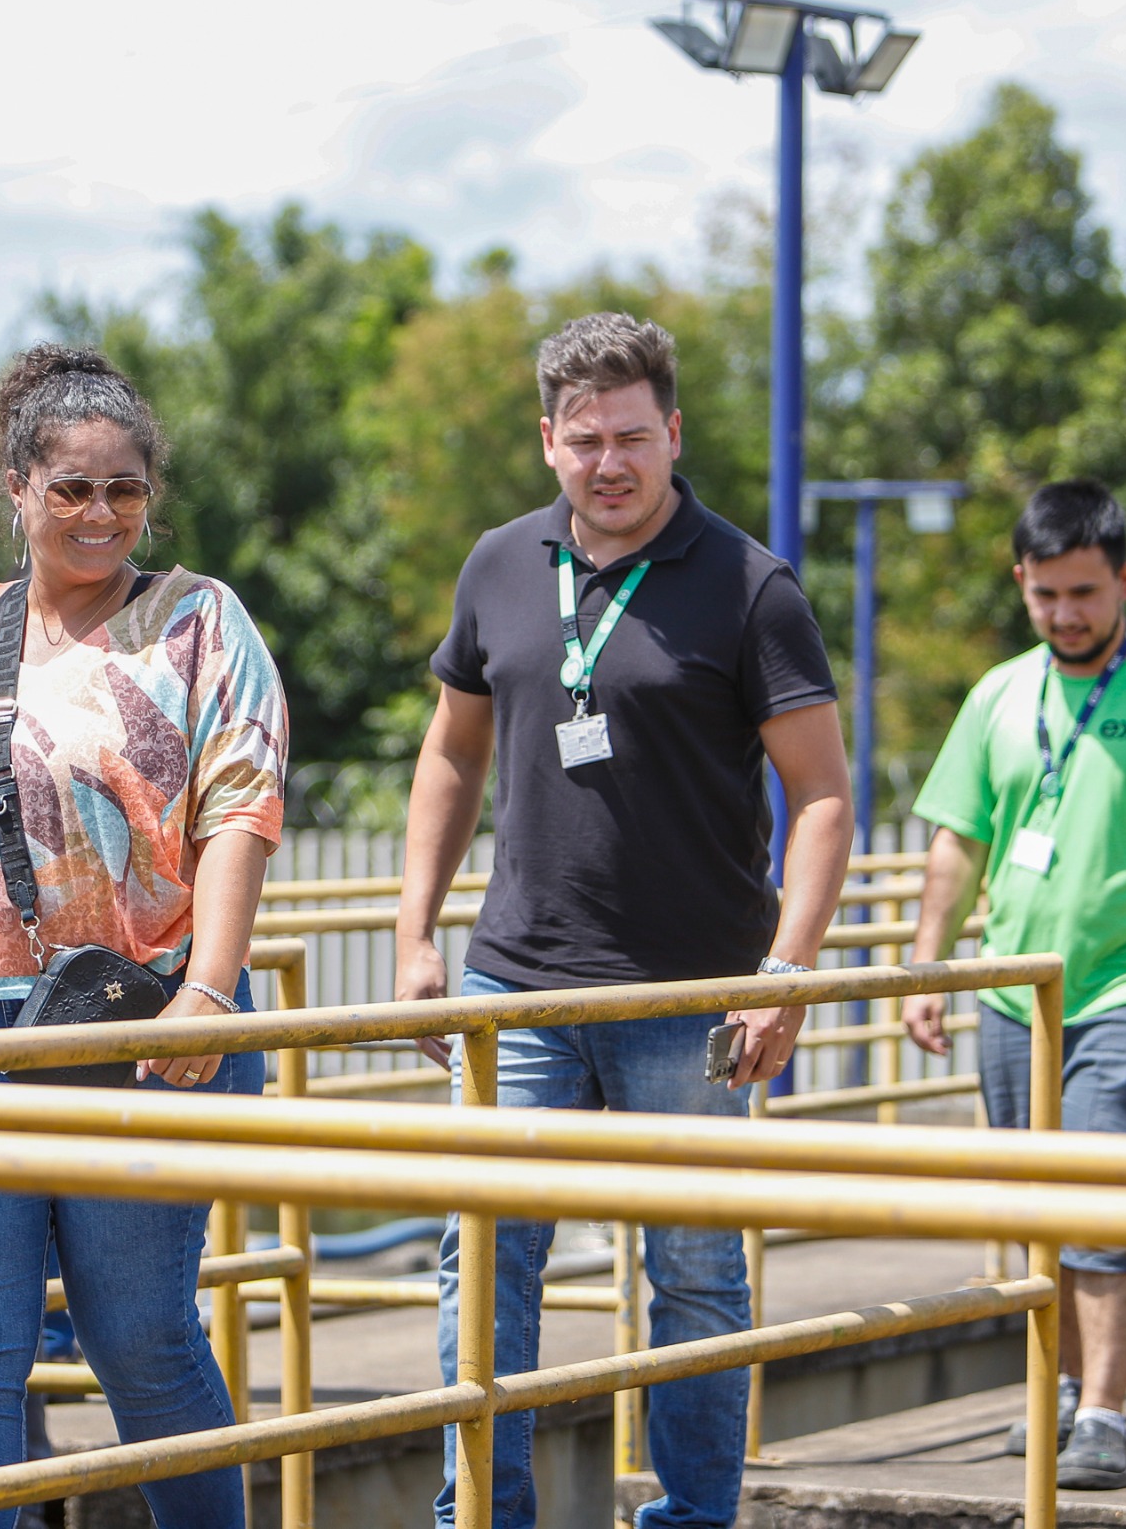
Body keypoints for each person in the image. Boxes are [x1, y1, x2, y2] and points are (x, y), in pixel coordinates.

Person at [394, 312, 855, 1529]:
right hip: (517, 987)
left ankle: (695, 1515)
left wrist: (784, 971)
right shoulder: (498, 563)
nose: (611, 463)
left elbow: (822, 799)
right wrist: (414, 933)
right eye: (586, 439)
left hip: (689, 996)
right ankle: (479, 1514)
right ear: (548, 439)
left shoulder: (749, 584)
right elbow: (448, 753)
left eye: (634, 438)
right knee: (484, 1266)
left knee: (695, 1273)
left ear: (674, 433)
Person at [0, 344, 288, 1529]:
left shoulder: (195, 621)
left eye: (123, 488)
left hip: (132, 1024)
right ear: (16, 488)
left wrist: (211, 991)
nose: (97, 512)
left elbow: (240, 807)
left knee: (137, 1340)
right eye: (71, 487)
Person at [903, 478, 1126, 1491]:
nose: (1065, 614)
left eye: (1085, 593)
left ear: (1125, 580)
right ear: (1019, 581)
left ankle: (1105, 1409)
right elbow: (955, 840)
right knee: (1036, 1208)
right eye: (1045, 593)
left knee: (1107, 1199)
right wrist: (932, 965)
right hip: (1016, 988)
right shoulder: (999, 693)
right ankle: (1058, 1390)